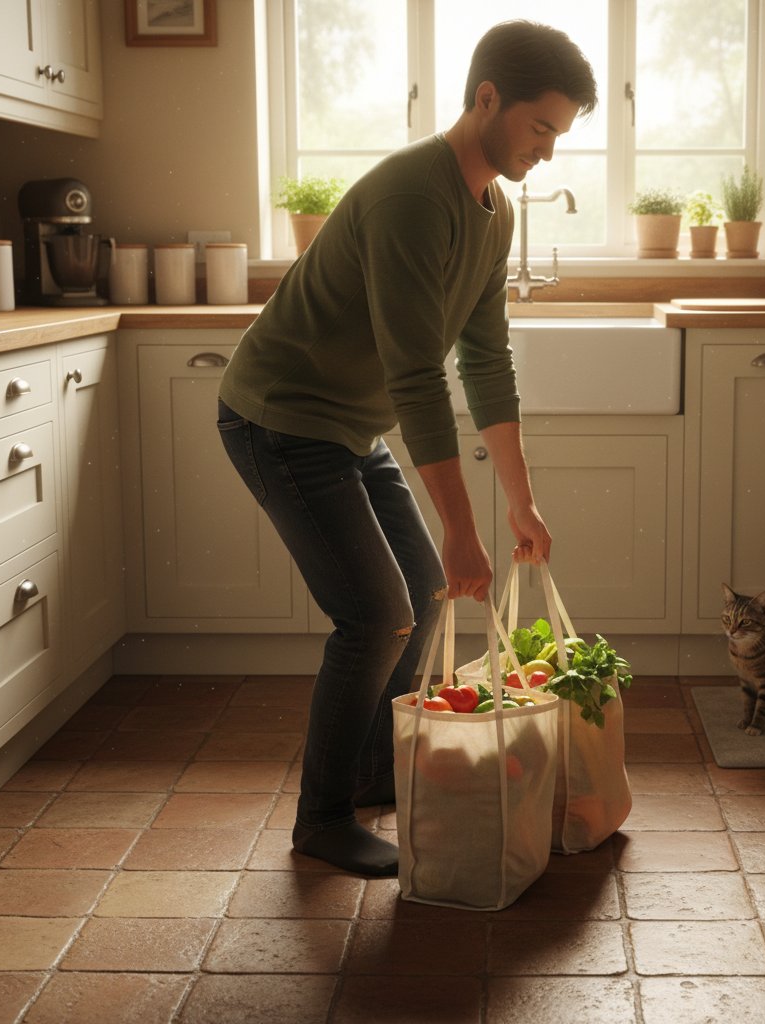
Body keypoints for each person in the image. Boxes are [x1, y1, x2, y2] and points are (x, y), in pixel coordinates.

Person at [216, 20, 598, 877]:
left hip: (349, 425)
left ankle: (368, 779)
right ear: (487, 98)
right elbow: (419, 375)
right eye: (541, 127)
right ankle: (320, 820)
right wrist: (461, 529)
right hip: (280, 418)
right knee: (376, 615)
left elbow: (487, 361)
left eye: (560, 135)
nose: (548, 149)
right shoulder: (409, 198)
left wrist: (520, 501)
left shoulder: (492, 210)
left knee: (421, 598)